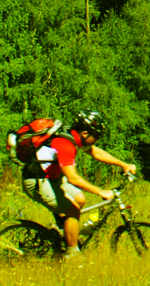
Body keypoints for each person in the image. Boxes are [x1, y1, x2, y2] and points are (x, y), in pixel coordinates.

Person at [23, 110, 136, 257]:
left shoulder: (73, 136)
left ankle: (63, 231)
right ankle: (73, 255)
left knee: (80, 199)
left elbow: (95, 152)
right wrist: (100, 192)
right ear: (85, 133)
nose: (97, 139)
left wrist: (123, 164)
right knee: (73, 210)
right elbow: (73, 178)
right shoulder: (65, 144)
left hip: (52, 177)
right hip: (37, 181)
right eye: (96, 135)